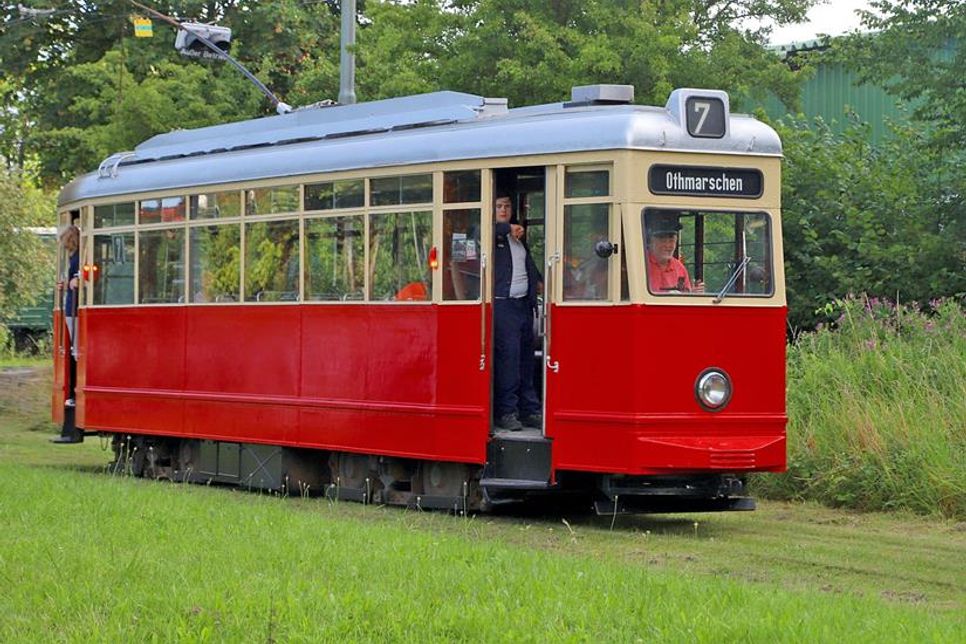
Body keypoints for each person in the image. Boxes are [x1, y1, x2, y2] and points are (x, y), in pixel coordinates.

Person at [492, 195, 543, 431]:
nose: (504, 210)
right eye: (499, 206)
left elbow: (528, 268)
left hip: (524, 305)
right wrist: (506, 228)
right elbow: (483, 231)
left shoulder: (518, 239)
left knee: (526, 358)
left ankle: (529, 408)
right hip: (504, 305)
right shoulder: (495, 234)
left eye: (507, 206)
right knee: (508, 359)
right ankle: (507, 411)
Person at [645, 214, 704, 294]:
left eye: (671, 240)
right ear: (650, 242)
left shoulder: (679, 268)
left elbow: (686, 296)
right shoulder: (642, 264)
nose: (668, 245)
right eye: (662, 240)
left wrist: (693, 294)